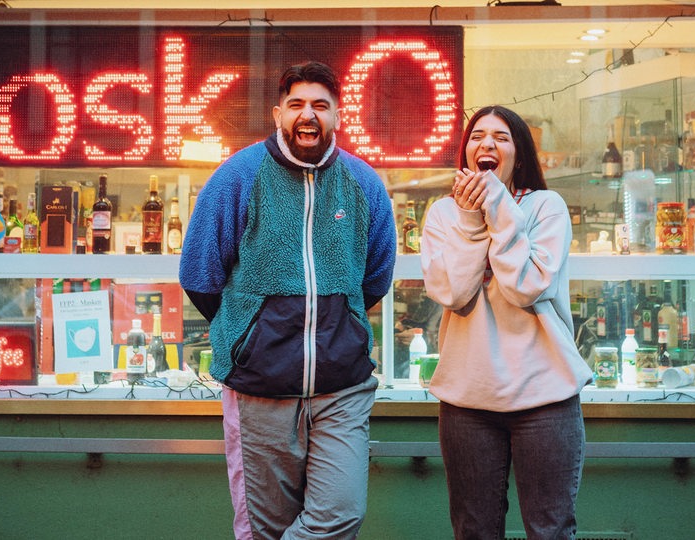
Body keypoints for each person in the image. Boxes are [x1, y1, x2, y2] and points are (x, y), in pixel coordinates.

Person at [179, 61, 396, 540]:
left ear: (337, 115)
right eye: (297, 104)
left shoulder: (363, 183)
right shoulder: (238, 176)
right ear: (278, 113)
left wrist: (340, 329)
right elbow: (200, 273)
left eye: (320, 105)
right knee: (265, 527)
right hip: (260, 388)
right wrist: (251, 333)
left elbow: (376, 277)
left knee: (339, 515)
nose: (308, 115)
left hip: (342, 386)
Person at [420, 105, 592, 540]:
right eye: (477, 136)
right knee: (474, 530)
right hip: (467, 402)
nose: (487, 144)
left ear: (519, 153)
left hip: (545, 395)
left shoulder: (546, 207)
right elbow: (455, 293)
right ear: (465, 151)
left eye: (501, 137)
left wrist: (497, 206)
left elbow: (526, 287)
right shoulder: (444, 215)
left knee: (550, 530)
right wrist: (473, 219)